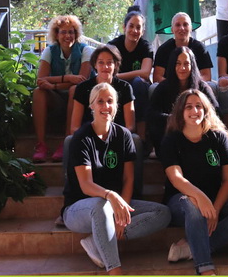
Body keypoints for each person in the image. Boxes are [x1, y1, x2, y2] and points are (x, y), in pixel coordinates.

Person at [62, 83, 171, 275]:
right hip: (79, 208)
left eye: (110, 101)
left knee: (163, 213)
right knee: (100, 205)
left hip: (115, 205)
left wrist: (122, 215)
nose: (105, 106)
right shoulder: (81, 138)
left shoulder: (123, 135)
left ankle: (98, 240)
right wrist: (111, 195)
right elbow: (86, 185)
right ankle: (115, 270)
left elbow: (128, 179)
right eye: (100, 101)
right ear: (91, 106)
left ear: (116, 106)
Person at [161, 89, 228, 275]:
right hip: (181, 201)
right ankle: (205, 267)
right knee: (193, 206)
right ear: (180, 111)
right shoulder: (171, 139)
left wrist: (216, 209)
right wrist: (200, 197)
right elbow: (176, 178)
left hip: (215, 199)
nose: (194, 111)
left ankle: (192, 247)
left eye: (199, 106)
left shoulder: (218, 137)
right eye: (189, 107)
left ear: (206, 110)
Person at [70, 45, 145, 197]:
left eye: (109, 62)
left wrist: (114, 136)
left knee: (135, 140)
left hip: (117, 137)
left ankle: (134, 193)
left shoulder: (125, 87)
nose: (105, 67)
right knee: (69, 141)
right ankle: (73, 193)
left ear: (116, 65)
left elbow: (130, 125)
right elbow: (74, 126)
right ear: (95, 65)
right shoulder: (83, 88)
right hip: (89, 136)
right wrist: (93, 137)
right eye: (101, 62)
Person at [32, 15, 92, 162]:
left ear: (76, 34)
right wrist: (68, 78)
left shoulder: (86, 50)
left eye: (71, 32)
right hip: (57, 98)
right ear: (56, 35)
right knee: (38, 93)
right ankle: (41, 145)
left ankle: (66, 142)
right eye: (63, 32)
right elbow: (41, 80)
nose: (67, 36)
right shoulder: (50, 51)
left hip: (81, 100)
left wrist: (53, 85)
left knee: (74, 89)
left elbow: (82, 81)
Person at [147, 46, 218, 157]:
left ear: (192, 65)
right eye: (178, 64)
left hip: (197, 135)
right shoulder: (163, 87)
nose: (182, 68)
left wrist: (195, 120)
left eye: (186, 64)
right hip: (171, 135)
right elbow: (152, 114)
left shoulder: (202, 87)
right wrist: (176, 118)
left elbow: (215, 112)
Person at [108, 11, 153, 141]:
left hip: (137, 86)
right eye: (131, 26)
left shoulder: (146, 47)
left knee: (139, 83)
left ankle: (142, 137)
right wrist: (116, 78)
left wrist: (118, 76)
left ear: (143, 31)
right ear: (124, 27)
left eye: (138, 27)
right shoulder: (113, 46)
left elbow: (145, 73)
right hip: (116, 85)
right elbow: (107, 73)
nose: (134, 30)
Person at [153, 12, 213, 83]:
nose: (181, 28)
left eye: (185, 24)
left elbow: (207, 76)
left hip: (195, 86)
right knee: (153, 87)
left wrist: (189, 85)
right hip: (170, 87)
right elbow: (157, 77)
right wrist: (175, 85)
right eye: (178, 25)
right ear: (172, 29)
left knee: (211, 85)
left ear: (191, 28)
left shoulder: (200, 48)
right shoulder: (163, 49)